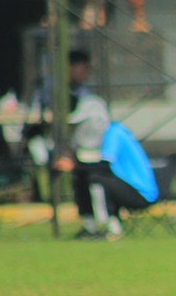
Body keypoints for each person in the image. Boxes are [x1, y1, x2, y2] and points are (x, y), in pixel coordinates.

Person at [52, 94, 158, 240]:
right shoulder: (107, 135)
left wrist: (74, 166)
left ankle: (109, 227)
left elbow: (103, 167)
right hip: (125, 187)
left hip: (141, 193)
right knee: (83, 177)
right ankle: (90, 227)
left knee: (96, 179)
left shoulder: (114, 133)